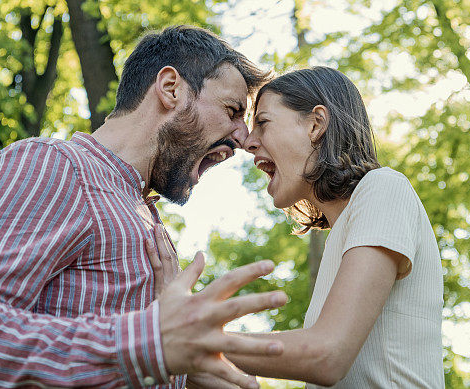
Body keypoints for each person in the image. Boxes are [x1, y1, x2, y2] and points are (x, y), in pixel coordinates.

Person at [0, 25, 288, 389]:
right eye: (232, 110)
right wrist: (148, 345)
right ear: (170, 88)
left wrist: (186, 373)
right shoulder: (54, 166)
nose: (244, 138)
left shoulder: (145, 217)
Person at [157, 67, 445, 388]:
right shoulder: (342, 239)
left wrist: (189, 343)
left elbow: (327, 354)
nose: (248, 143)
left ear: (316, 124)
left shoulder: (383, 187)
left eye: (263, 123)